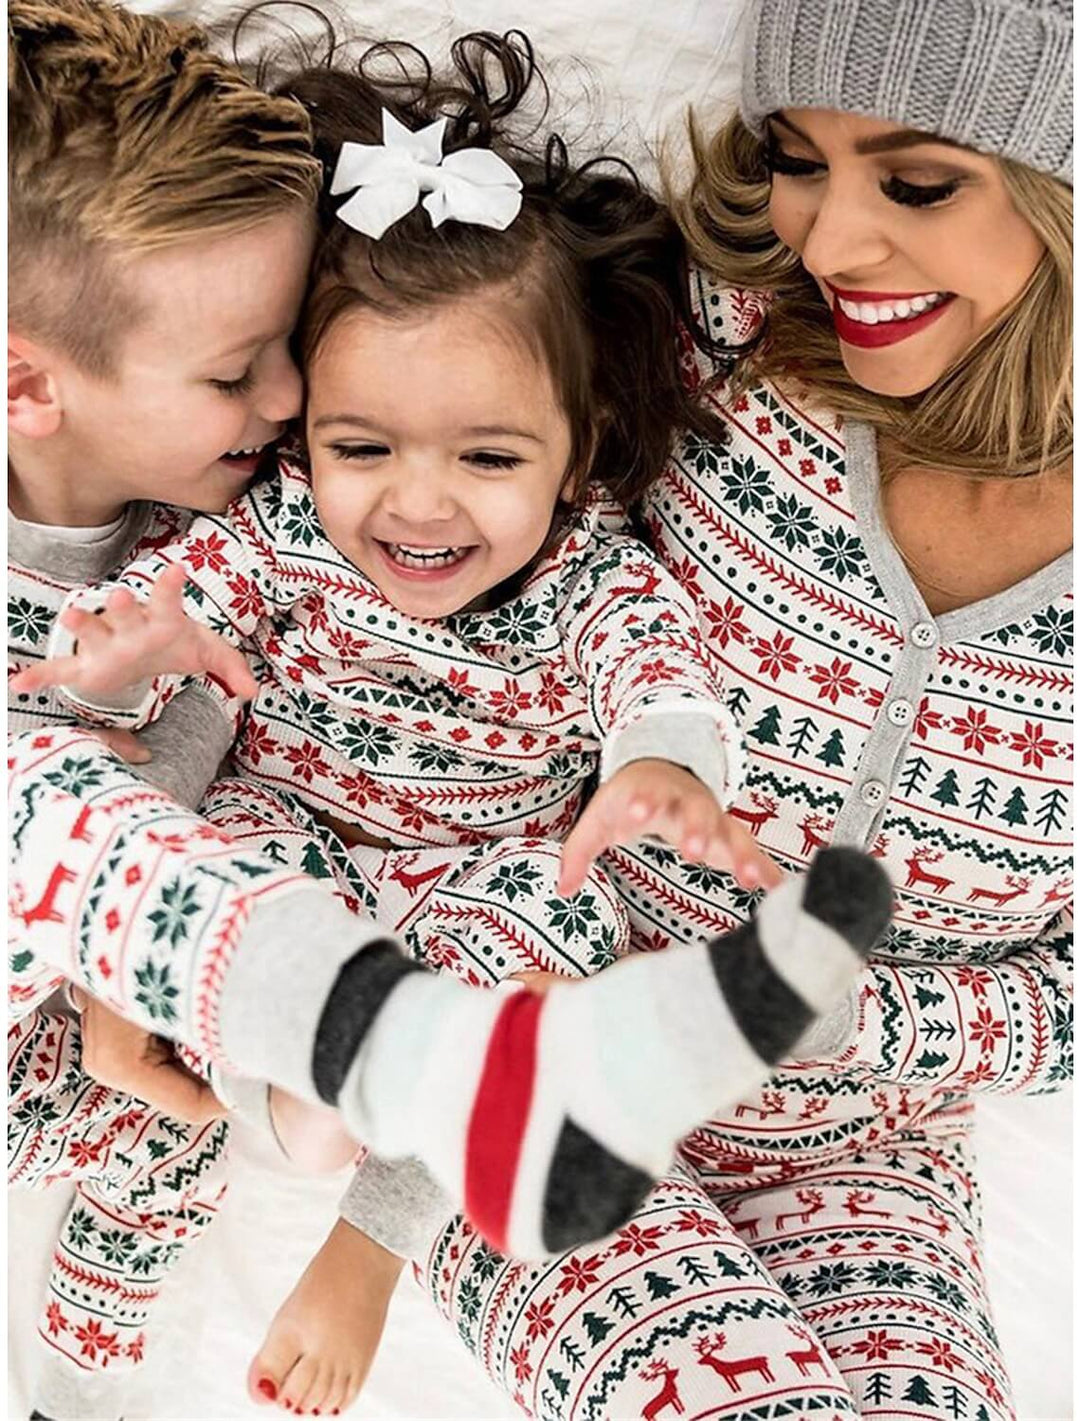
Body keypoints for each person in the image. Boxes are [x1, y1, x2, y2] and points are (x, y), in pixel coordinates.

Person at [8, 8, 891, 1414]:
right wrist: (143, 656)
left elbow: (651, 668)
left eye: (487, 455)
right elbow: (171, 675)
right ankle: (78, 1364)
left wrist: (663, 766)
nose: (417, 505)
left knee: (545, 924)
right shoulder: (283, 524)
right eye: (361, 446)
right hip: (287, 835)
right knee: (155, 1093)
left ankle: (367, 1230)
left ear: (576, 449)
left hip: (470, 878)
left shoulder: (586, 568)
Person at [325, 1, 1065, 1417]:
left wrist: (861, 1030)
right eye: (797, 158)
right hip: (544, 1037)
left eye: (917, 181)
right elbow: (353, 446)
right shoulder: (709, 340)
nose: (831, 243)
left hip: (865, 1155)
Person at [7, 1, 322, 1413]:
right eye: (234, 369)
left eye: (288, 338)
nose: (290, 393)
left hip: (113, 1041)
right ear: (31, 383)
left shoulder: (241, 546)